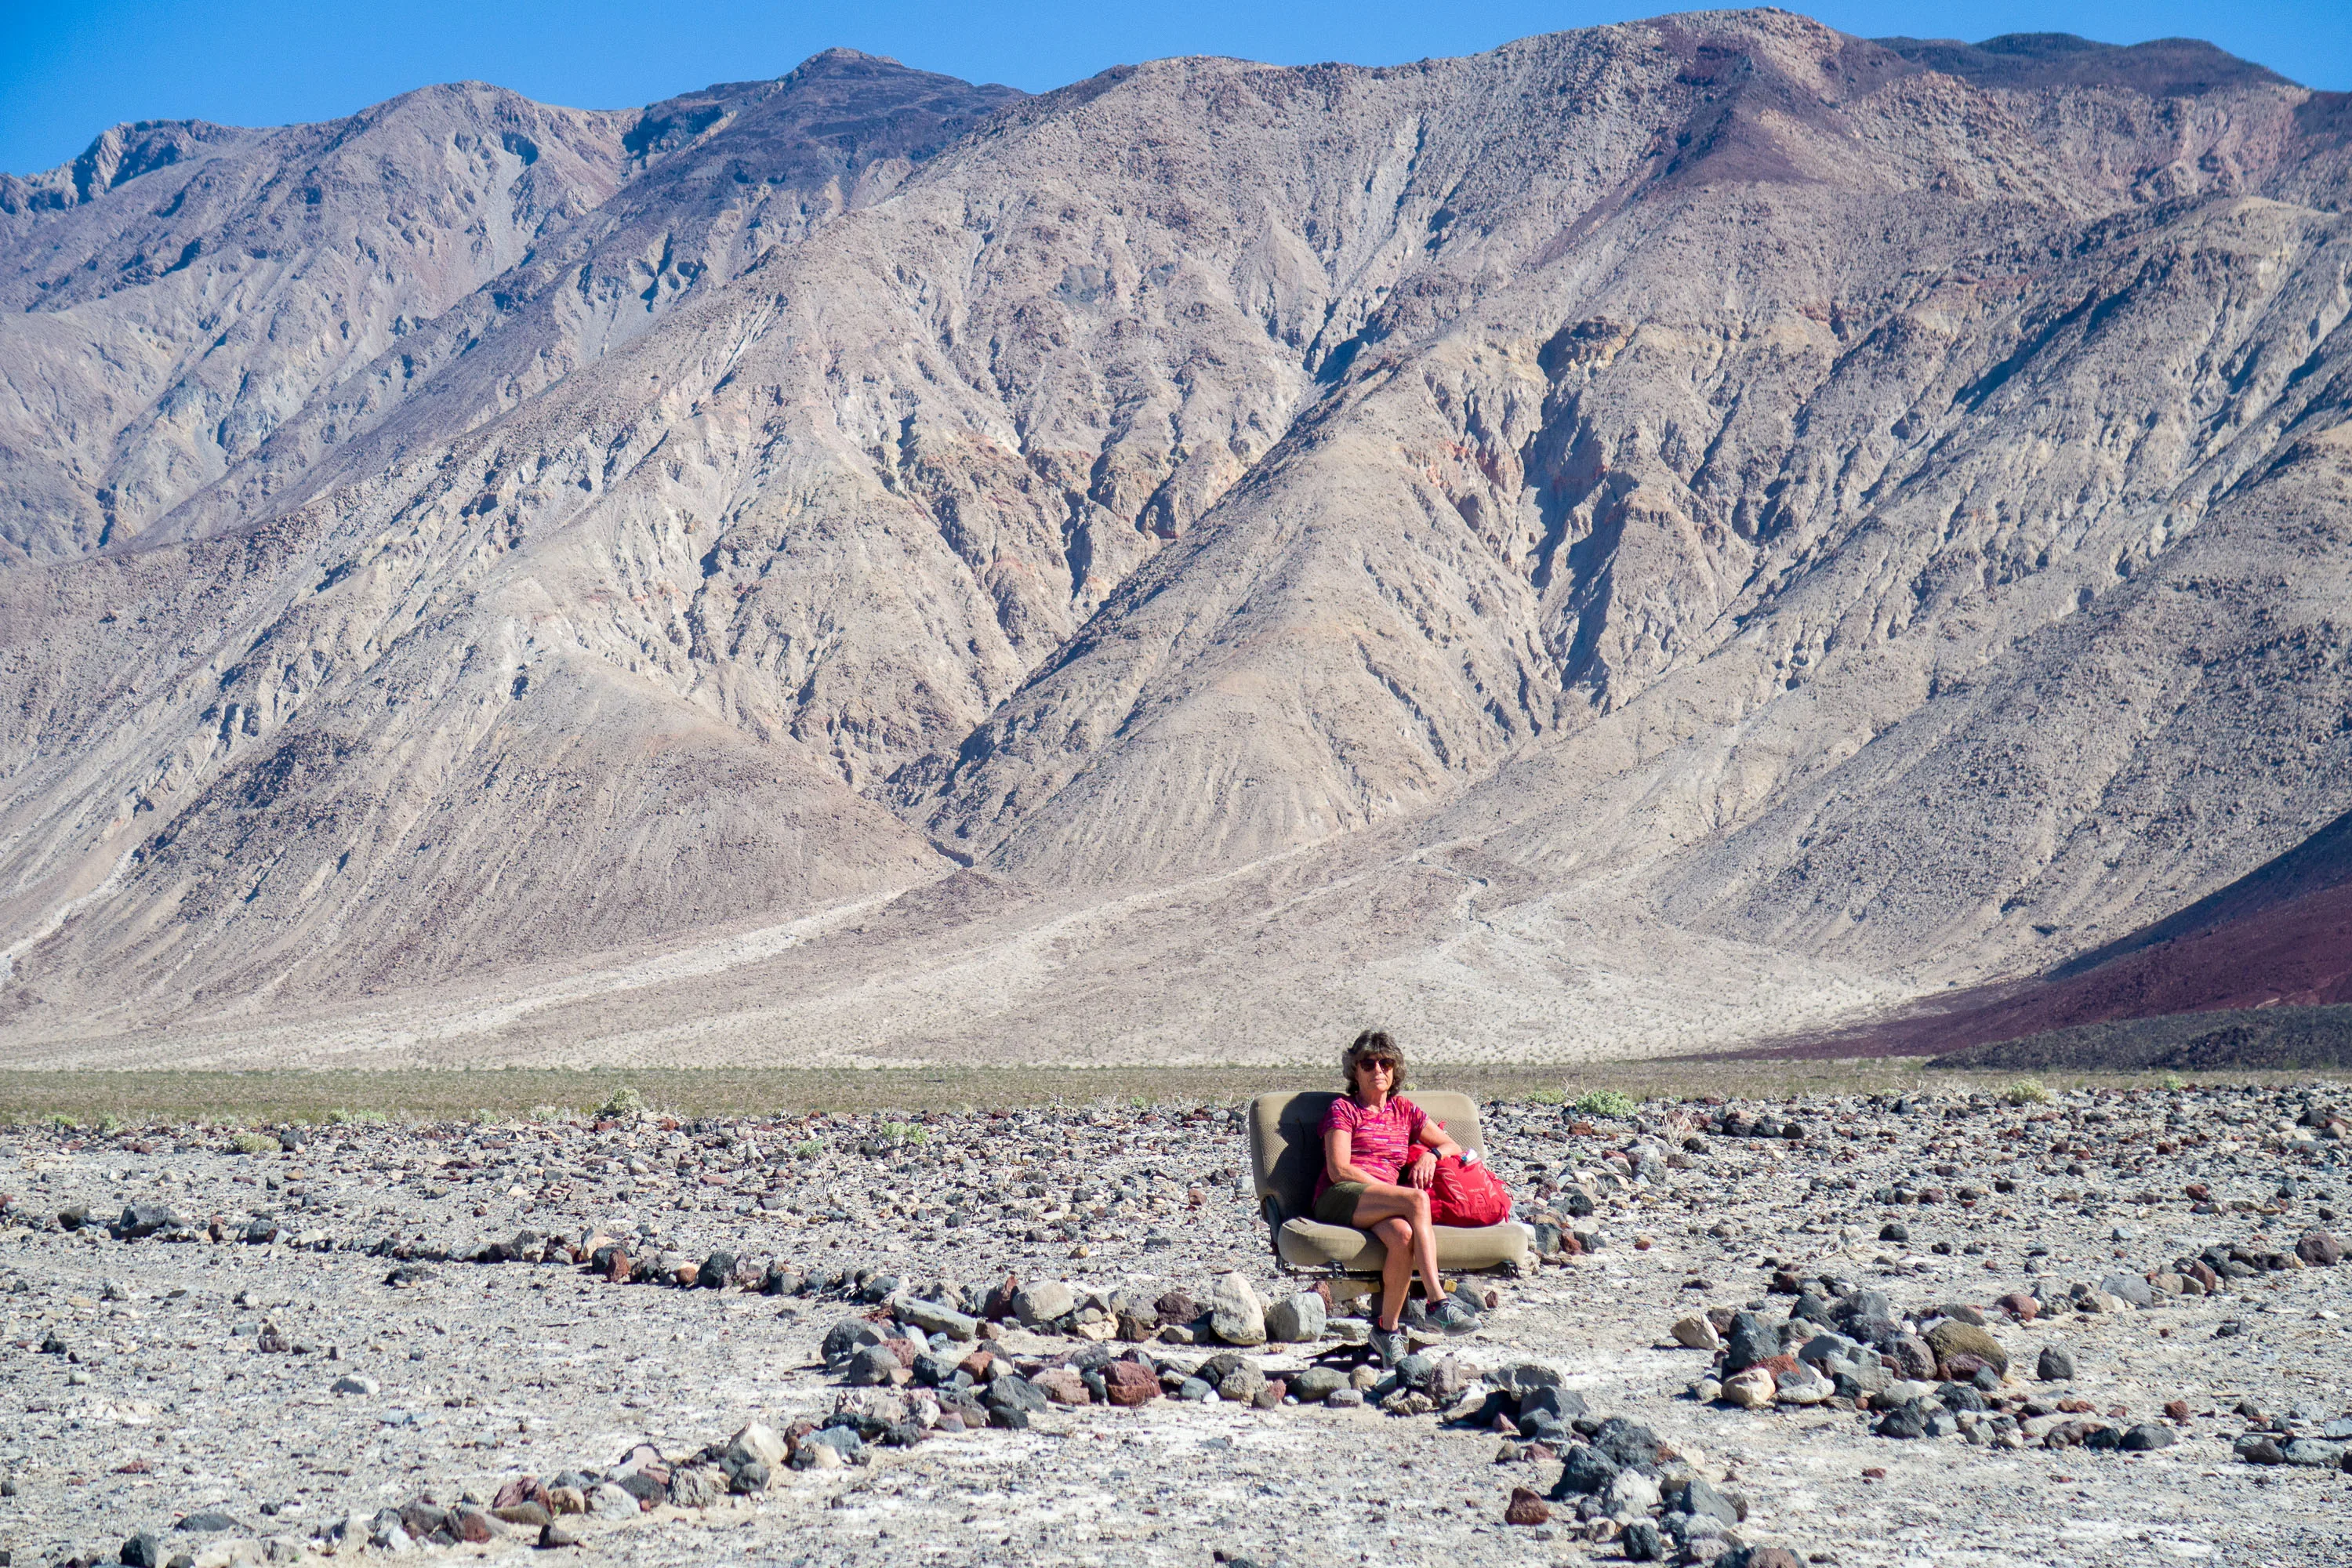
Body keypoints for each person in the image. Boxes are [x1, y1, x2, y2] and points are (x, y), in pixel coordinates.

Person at [1314, 1029, 1480, 1363]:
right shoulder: (1344, 1109)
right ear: (1355, 1071)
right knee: (1417, 1201)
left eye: (1386, 1063)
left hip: (1381, 1202)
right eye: (1368, 1063)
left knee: (1404, 1236)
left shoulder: (1404, 1110)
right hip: (1341, 1197)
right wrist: (1393, 1191)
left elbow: (1450, 1145)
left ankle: (1386, 1331)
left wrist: (1430, 1156)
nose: (1379, 1069)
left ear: (1395, 1070)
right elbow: (1339, 1169)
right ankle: (1436, 1301)